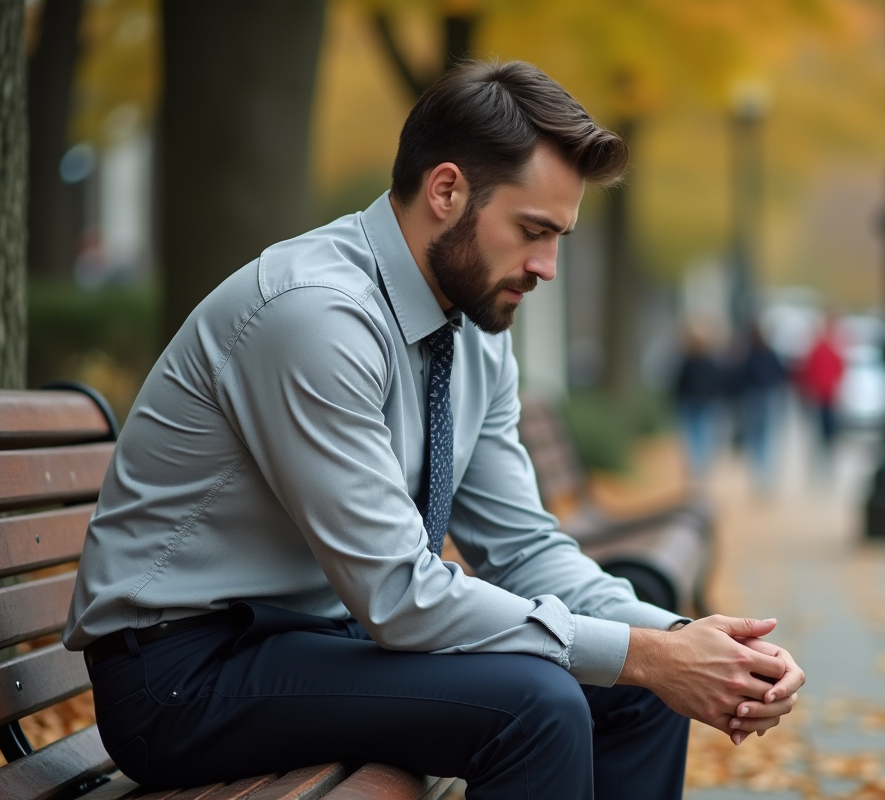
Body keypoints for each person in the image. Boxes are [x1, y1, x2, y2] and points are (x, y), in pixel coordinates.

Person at [63, 61, 804, 800]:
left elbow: (524, 550)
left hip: (314, 640)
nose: (546, 266)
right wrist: (642, 655)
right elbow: (396, 594)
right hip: (182, 675)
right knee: (539, 705)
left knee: (634, 690)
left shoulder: (475, 323)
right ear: (446, 191)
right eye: (532, 230)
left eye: (560, 237)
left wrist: (684, 645)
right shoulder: (315, 315)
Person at [732, 323, 788, 492]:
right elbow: (781, 374)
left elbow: (740, 377)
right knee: (766, 437)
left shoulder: (748, 354)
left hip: (753, 398)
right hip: (768, 397)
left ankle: (759, 474)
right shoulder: (770, 353)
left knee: (756, 438)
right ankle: (765, 474)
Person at [673, 322, 726, 482]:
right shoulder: (708, 361)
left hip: (690, 401)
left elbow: (679, 382)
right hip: (704, 401)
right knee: (703, 433)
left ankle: (695, 464)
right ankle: (701, 464)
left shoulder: (687, 360)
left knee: (692, 434)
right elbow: (716, 381)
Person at [798, 316, 845, 465]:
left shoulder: (833, 346)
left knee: (828, 430)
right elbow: (808, 370)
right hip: (819, 395)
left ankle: (826, 458)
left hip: (829, 395)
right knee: (819, 430)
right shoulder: (820, 346)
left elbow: (840, 368)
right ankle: (820, 459)